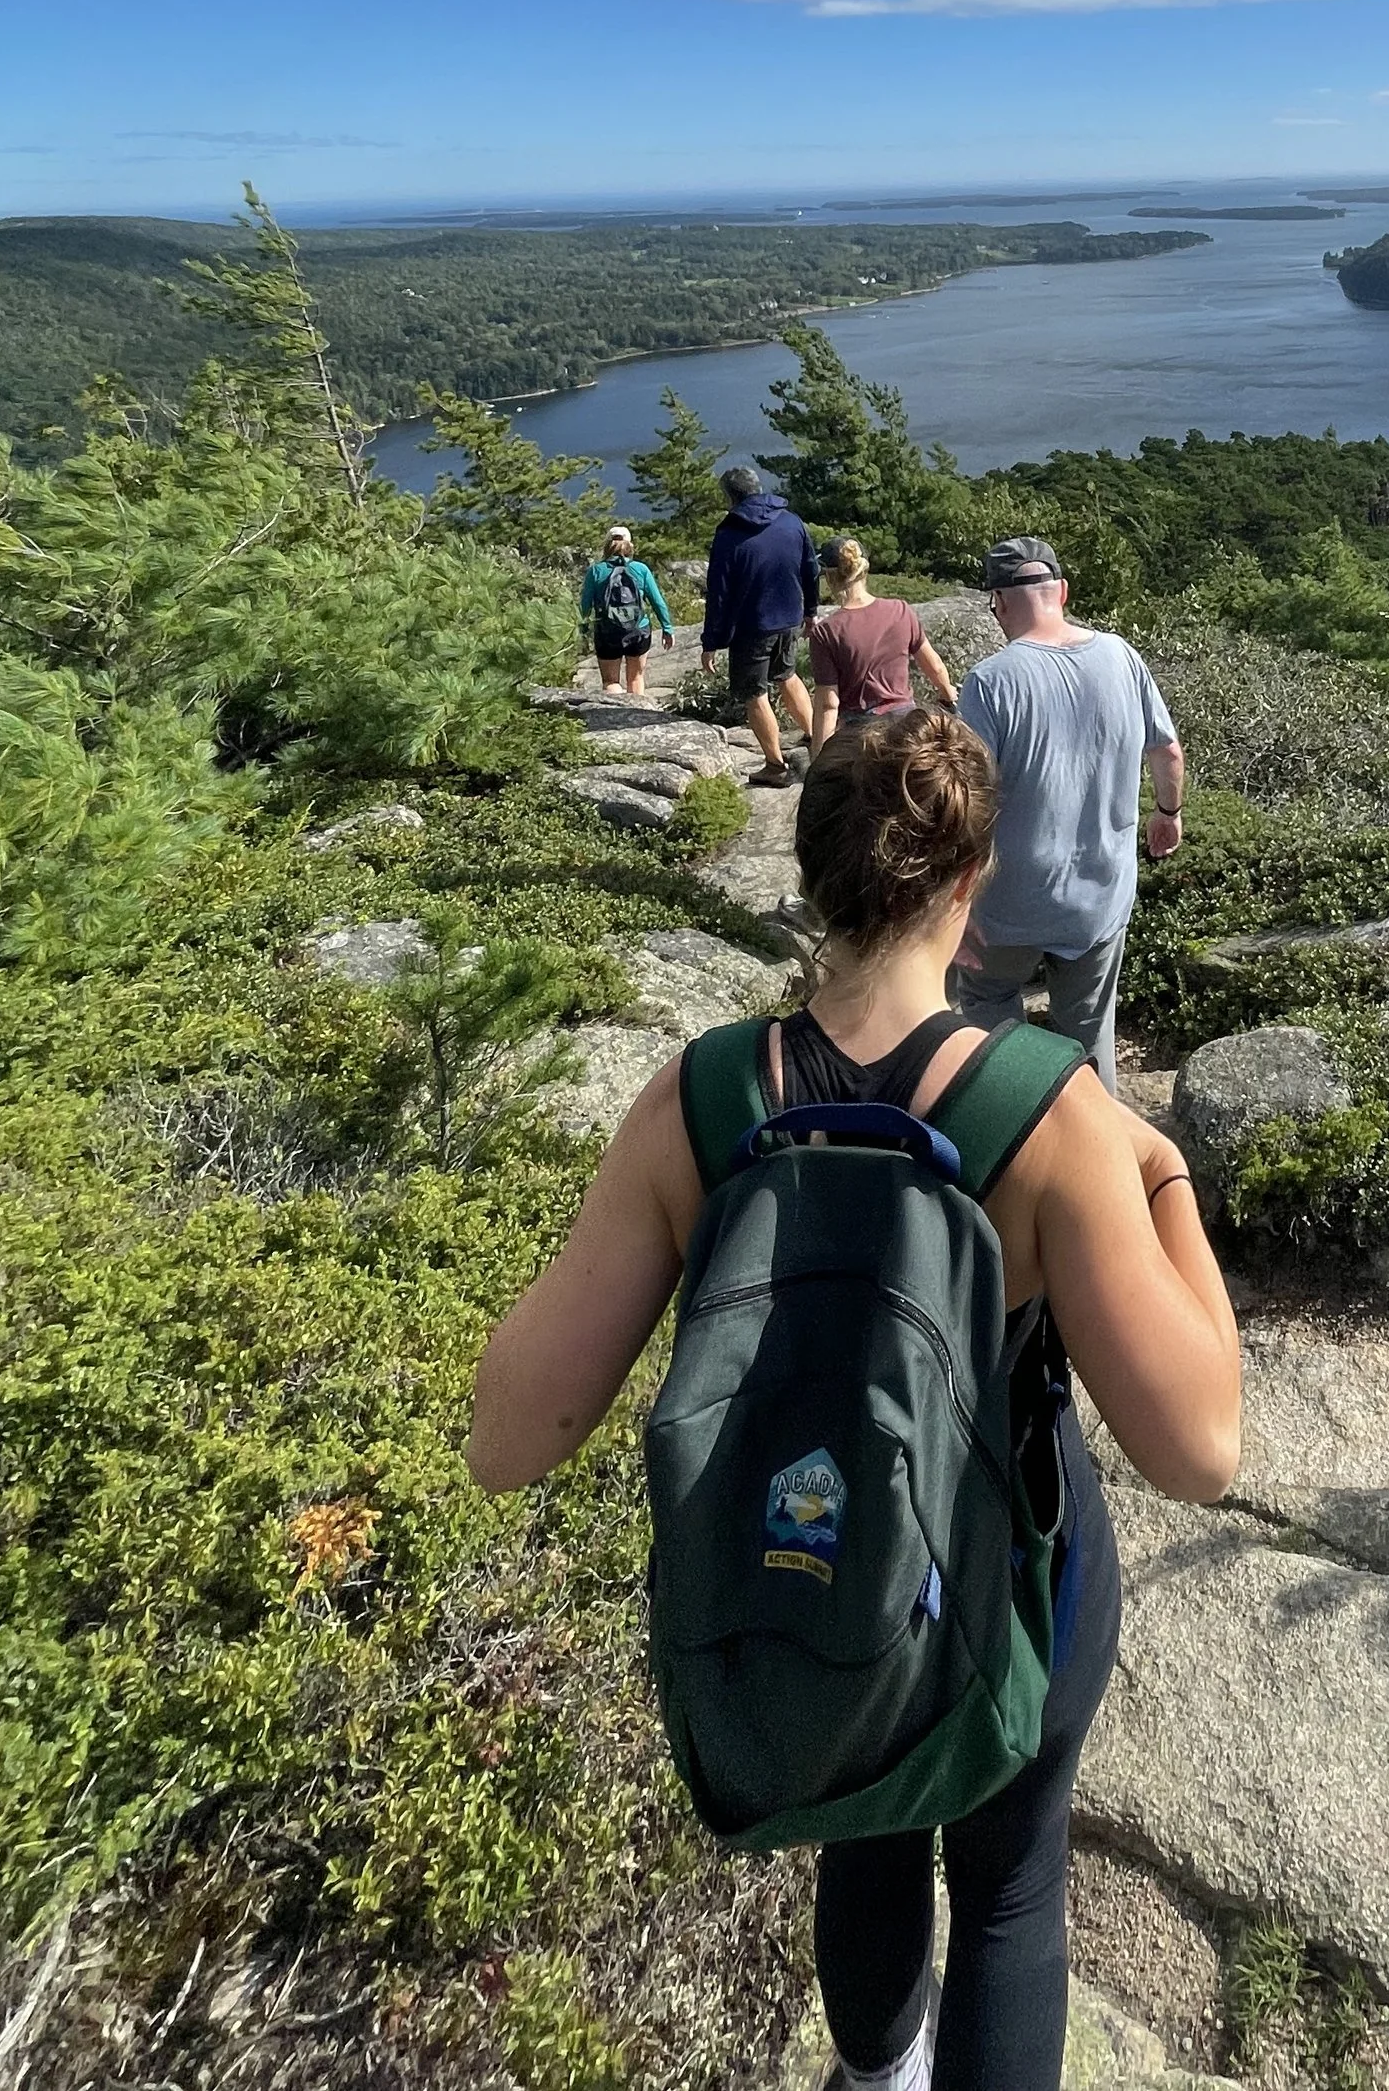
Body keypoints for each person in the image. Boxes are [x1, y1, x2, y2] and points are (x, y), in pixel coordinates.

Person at [466, 711, 1240, 2091]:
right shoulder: (1047, 1112)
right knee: (1009, 1888)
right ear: (970, 879)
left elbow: (507, 1437)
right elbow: (1199, 1447)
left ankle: (877, 2073)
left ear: (814, 876)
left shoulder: (699, 1098)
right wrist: (1162, 1172)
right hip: (1006, 1568)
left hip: (800, 1566)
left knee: (868, 1822)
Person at [953, 535, 1183, 1094]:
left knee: (988, 1011)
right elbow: (1168, 752)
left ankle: (1006, 1132)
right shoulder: (1122, 656)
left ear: (999, 603)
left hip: (1007, 902)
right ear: (1061, 591)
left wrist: (951, 903)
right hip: (1097, 901)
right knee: (1086, 1029)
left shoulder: (989, 682)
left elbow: (964, 803)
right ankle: (1093, 1142)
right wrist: (1167, 812)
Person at [702, 463, 822, 786]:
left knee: (755, 694)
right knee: (788, 675)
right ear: (758, 487)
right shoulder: (791, 522)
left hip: (751, 627)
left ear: (730, 496)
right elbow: (810, 569)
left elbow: (719, 591)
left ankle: (776, 765)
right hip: (789, 619)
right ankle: (817, 741)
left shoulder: (729, 534)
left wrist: (711, 641)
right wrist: (810, 610)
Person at [802, 534, 961, 747]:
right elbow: (935, 666)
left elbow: (828, 705)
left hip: (861, 734)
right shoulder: (901, 610)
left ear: (829, 578)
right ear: (864, 571)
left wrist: (819, 755)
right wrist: (948, 694)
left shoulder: (826, 631)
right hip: (906, 727)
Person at [577, 524, 675, 696]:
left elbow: (585, 606)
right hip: (638, 630)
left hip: (607, 631)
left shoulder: (596, 571)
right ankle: (636, 715)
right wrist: (667, 628)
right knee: (636, 678)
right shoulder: (641, 569)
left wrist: (583, 631)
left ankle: (612, 716)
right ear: (630, 546)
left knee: (610, 681)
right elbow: (657, 601)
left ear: (607, 546)